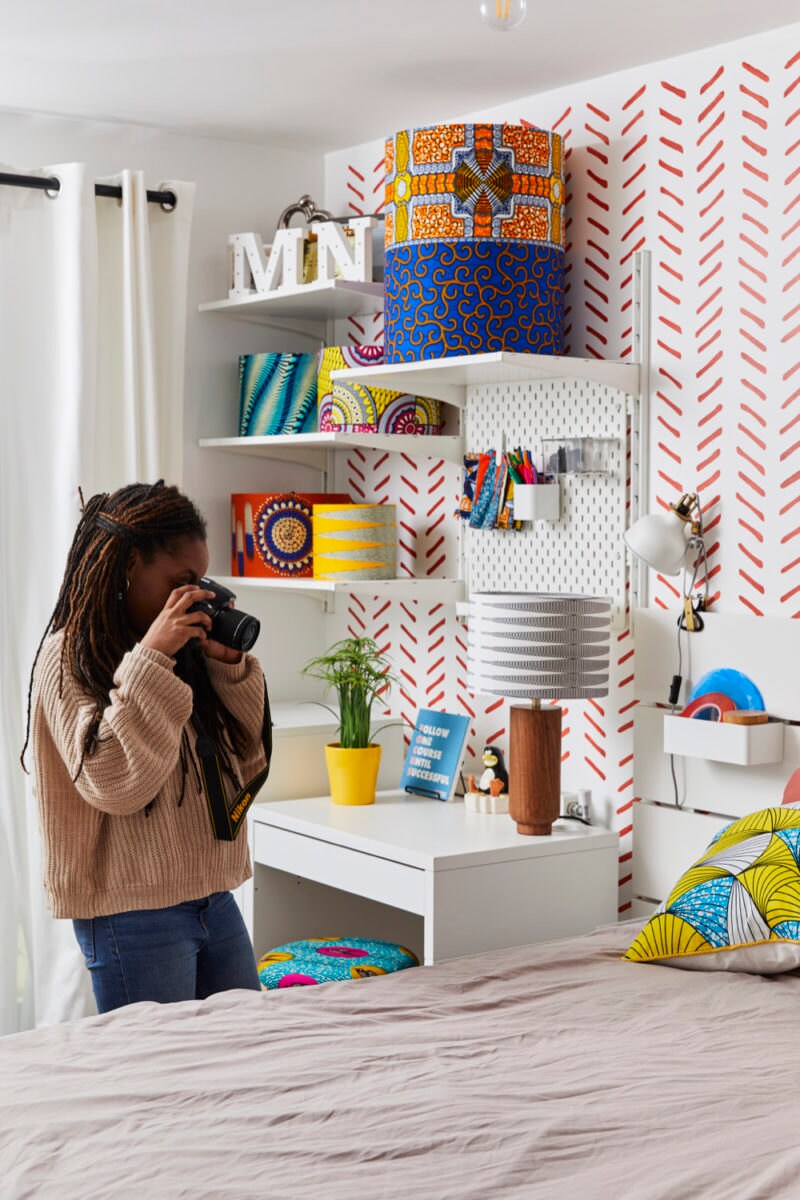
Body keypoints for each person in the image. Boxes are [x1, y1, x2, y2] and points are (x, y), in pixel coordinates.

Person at [22, 481, 268, 1014]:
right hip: (130, 913)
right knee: (159, 1086)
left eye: (199, 581)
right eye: (180, 581)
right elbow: (112, 783)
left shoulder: (187, 652)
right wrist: (152, 657)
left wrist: (228, 667)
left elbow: (248, 761)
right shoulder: (69, 658)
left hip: (212, 894)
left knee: (247, 1062)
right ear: (131, 564)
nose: (194, 595)